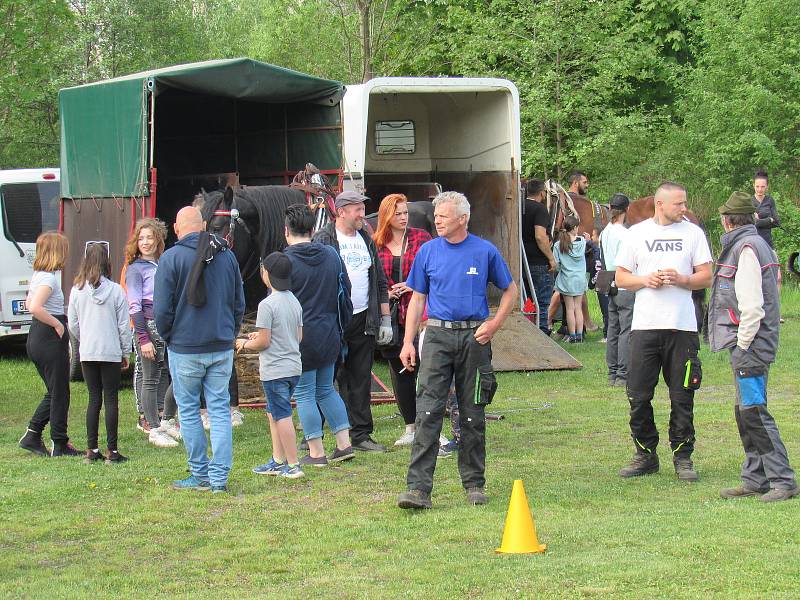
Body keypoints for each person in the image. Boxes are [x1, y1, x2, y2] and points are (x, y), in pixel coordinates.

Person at [397, 191, 517, 509]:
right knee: (427, 411)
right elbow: (417, 300)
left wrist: (493, 325)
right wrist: (409, 342)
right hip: (436, 336)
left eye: (443, 216)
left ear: (462, 219)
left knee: (472, 414)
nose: (437, 220)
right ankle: (418, 489)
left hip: (474, 339)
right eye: (435, 216)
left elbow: (510, 291)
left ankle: (474, 485)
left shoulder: (484, 251)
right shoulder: (427, 252)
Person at [615, 181, 712, 482]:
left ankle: (683, 456)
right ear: (660, 204)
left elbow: (706, 276)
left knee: (682, 394)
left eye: (684, 203)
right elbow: (620, 278)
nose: (684, 208)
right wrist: (645, 280)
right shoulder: (637, 234)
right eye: (679, 204)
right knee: (638, 395)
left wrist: (683, 278)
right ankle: (645, 454)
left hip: (682, 327)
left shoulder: (693, 233)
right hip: (645, 327)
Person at [711, 191, 797, 502]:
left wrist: (743, 344)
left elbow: (752, 306)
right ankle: (755, 478)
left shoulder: (746, 248)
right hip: (752, 342)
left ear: (727, 220)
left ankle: (782, 480)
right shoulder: (756, 244)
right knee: (745, 411)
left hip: (750, 343)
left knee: (755, 412)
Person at [154, 207, 244, 493]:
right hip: (220, 344)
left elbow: (161, 310)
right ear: (204, 225)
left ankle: (200, 474)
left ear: (176, 228)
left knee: (189, 410)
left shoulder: (170, 258)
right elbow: (238, 302)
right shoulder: (226, 255)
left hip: (185, 346)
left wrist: (171, 336)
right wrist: (230, 332)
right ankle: (219, 478)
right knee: (219, 410)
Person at [313, 191, 392, 452]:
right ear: (342, 211)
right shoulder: (323, 239)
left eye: (362, 208)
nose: (362, 214)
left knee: (359, 378)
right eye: (357, 209)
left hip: (363, 318)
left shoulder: (366, 238)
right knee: (326, 377)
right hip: (333, 320)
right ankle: (314, 434)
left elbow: (379, 280)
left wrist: (385, 319)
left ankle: (360, 435)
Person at [284, 204, 355, 467]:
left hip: (300, 336)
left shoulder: (285, 261)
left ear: (286, 231)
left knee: (304, 393)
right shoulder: (331, 255)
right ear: (313, 229)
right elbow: (345, 290)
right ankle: (344, 444)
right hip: (329, 332)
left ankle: (315, 452)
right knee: (326, 389)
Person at [238, 252, 305, 479]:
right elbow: (298, 336)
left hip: (275, 370)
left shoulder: (266, 304)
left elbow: (263, 342)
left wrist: (245, 343)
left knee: (282, 415)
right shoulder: (293, 300)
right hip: (293, 367)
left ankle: (293, 464)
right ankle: (278, 460)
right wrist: (263, 335)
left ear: (266, 274)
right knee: (273, 412)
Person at [374, 193, 432, 446]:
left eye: (405, 212)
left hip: (421, 315)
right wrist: (385, 292)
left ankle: (430, 427)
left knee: (428, 370)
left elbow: (434, 270)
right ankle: (410, 427)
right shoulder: (376, 243)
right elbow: (371, 279)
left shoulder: (422, 238)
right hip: (391, 316)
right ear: (386, 215)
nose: (403, 217)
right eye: (397, 213)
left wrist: (412, 285)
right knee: (400, 372)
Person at [68, 241, 132, 464]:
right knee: (111, 399)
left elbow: (73, 324)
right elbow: (124, 325)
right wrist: (126, 350)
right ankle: (112, 451)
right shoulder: (116, 291)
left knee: (93, 399)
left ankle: (91, 450)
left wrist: (84, 337)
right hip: (110, 350)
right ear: (107, 262)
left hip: (87, 351)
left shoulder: (76, 290)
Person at [18, 232, 82, 457]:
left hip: (37, 336)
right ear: (56, 252)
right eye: (64, 249)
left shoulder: (39, 275)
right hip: (48, 337)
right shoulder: (48, 279)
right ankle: (59, 442)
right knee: (60, 392)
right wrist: (58, 324)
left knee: (55, 391)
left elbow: (28, 302)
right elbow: (34, 306)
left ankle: (33, 434)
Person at [124, 218, 180, 448]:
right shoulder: (135, 269)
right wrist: (143, 338)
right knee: (150, 378)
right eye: (141, 238)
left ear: (158, 239)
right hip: (148, 327)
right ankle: (153, 427)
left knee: (175, 375)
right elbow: (134, 306)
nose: (145, 242)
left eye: (149, 237)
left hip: (168, 327)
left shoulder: (162, 263)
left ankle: (165, 419)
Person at [600, 193, 634, 386]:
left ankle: (612, 373)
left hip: (609, 283)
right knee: (626, 330)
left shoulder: (605, 232)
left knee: (613, 329)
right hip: (624, 283)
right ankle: (623, 375)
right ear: (626, 210)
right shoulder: (626, 234)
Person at [521, 179, 557, 335]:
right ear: (542, 193)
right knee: (542, 301)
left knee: (526, 299)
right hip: (538, 262)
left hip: (522, 260)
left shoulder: (519, 208)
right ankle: (542, 334)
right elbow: (540, 236)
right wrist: (551, 258)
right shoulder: (540, 209)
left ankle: (528, 332)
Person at [552, 216, 588, 343]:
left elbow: (556, 265)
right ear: (574, 228)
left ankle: (572, 335)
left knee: (569, 308)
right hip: (580, 280)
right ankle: (579, 335)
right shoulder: (582, 242)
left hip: (567, 280)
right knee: (578, 308)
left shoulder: (558, 244)